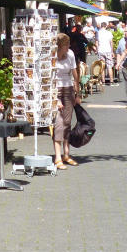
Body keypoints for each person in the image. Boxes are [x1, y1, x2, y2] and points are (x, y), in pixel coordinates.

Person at [53, 33, 80, 169]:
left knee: (67, 122)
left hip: (68, 89)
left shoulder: (70, 54)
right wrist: (55, 99)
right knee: (59, 123)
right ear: (60, 46)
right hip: (55, 90)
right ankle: (58, 157)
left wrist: (77, 93)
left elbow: (75, 73)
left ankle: (67, 154)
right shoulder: (52, 56)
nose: (69, 47)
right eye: (66, 45)